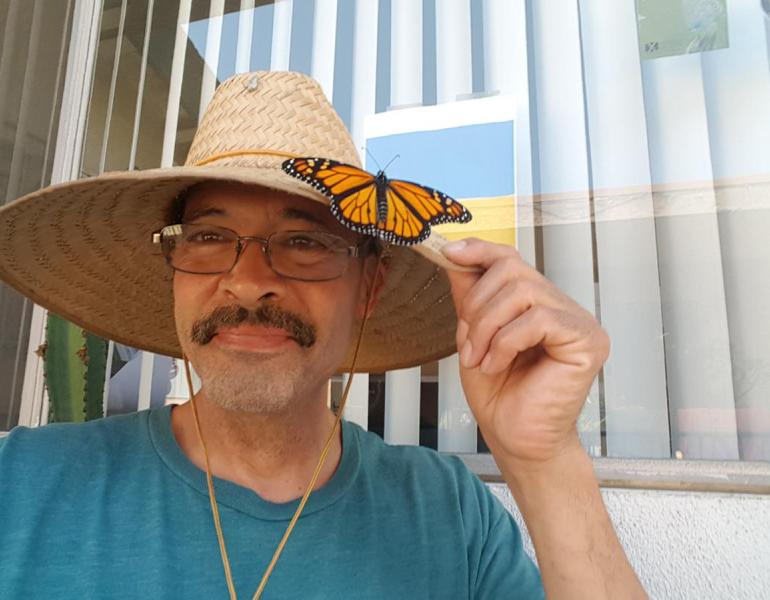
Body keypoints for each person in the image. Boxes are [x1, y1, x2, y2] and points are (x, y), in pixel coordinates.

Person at [0, 71, 646, 599]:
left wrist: (546, 462)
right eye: (208, 237)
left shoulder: (449, 516)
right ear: (172, 270)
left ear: (368, 289)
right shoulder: (20, 484)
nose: (248, 284)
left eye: (305, 242)